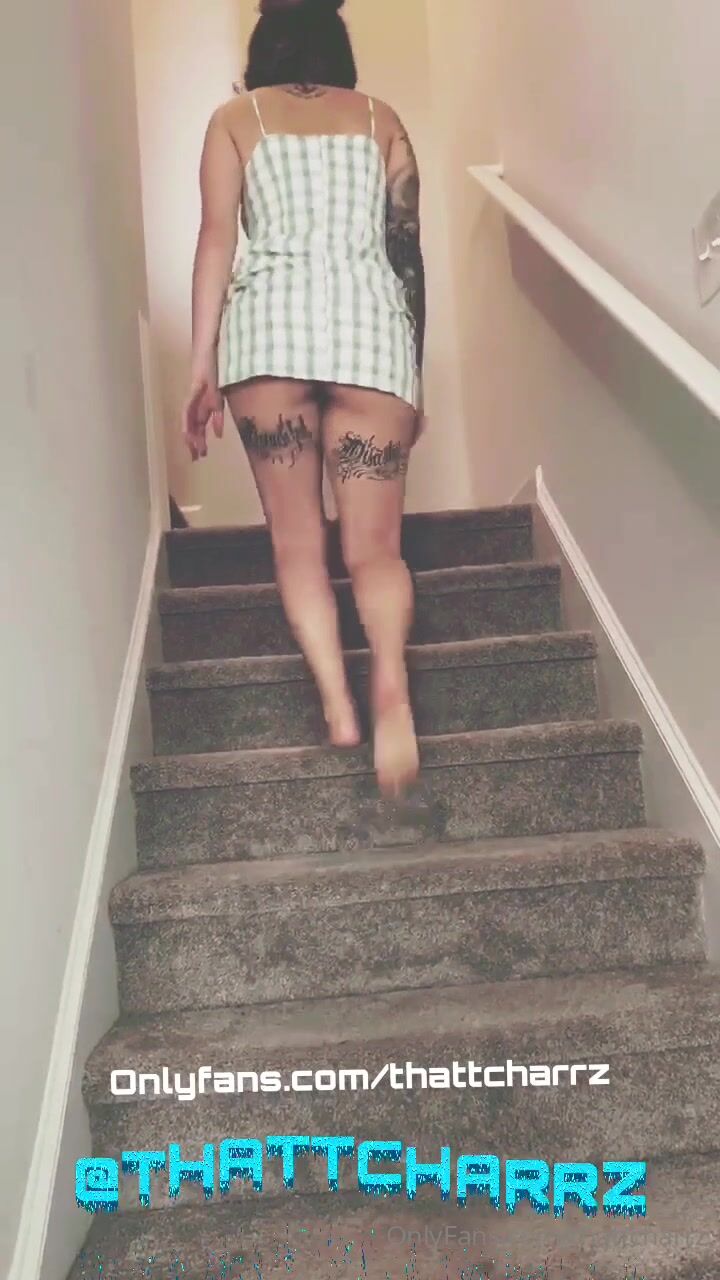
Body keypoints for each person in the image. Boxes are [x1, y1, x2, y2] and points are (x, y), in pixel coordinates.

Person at [183, 0, 426, 797]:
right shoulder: (382, 119)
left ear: (263, 46)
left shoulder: (235, 120)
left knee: (297, 544)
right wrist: (413, 373)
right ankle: (390, 687)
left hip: (268, 341)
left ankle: (337, 705)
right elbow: (405, 251)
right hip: (370, 340)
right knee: (376, 552)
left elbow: (217, 238)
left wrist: (200, 363)